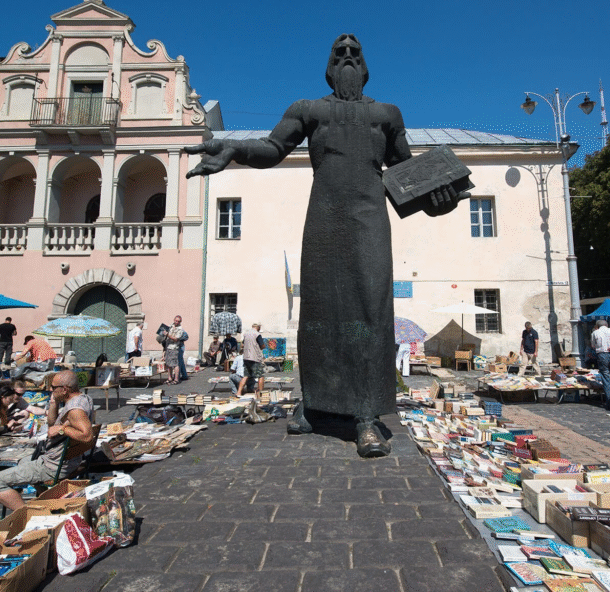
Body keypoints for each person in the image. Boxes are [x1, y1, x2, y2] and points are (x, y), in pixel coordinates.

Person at [185, 35, 464, 457]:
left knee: (371, 308)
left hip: (369, 218)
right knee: (318, 309)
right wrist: (233, 149)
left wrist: (440, 201)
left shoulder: (387, 114)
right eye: (340, 53)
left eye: (355, 52)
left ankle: (366, 417)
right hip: (323, 218)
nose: (348, 56)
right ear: (329, 66)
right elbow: (273, 148)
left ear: (366, 66)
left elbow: (408, 176)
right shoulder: (308, 110)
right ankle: (316, 406)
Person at [0, 370, 94, 511]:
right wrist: (54, 402)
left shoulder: (75, 410)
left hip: (53, 466)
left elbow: (87, 435)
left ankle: (28, 515)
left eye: (54, 387)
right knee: (23, 461)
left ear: (64, 389)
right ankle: (48, 501)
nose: (50, 389)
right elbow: (51, 424)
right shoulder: (83, 399)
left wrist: (62, 429)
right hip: (65, 460)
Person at [238, 323, 266, 398]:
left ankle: (239, 392)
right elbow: (262, 346)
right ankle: (260, 393)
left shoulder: (246, 334)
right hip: (255, 358)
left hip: (246, 357)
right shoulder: (257, 334)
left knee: (246, 375)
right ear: (258, 327)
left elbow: (242, 345)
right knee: (260, 375)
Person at [165, 315, 189, 384]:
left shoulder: (180, 329)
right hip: (168, 346)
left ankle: (176, 379)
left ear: (180, 322)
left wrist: (167, 335)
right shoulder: (170, 326)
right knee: (168, 364)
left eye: (178, 321)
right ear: (174, 320)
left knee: (176, 364)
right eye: (176, 320)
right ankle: (170, 378)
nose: (177, 322)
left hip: (175, 347)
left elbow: (176, 339)